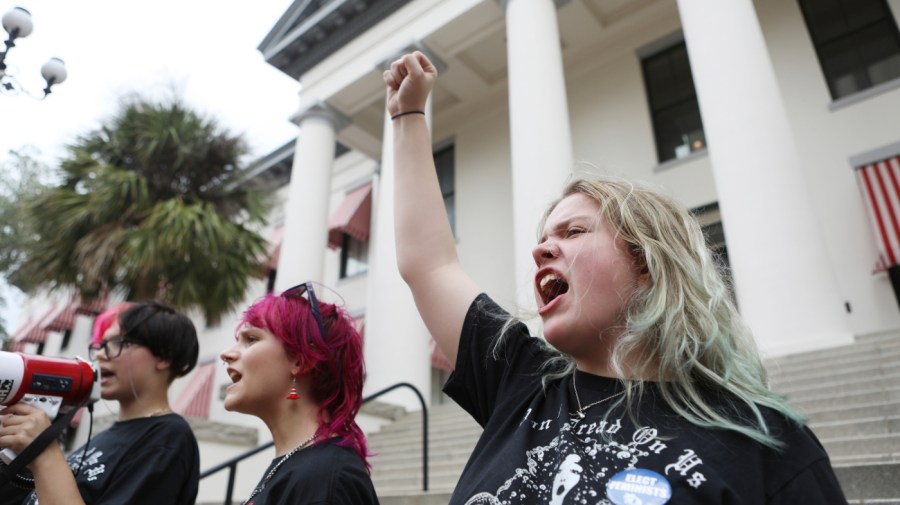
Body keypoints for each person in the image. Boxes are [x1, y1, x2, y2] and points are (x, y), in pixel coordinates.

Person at [384, 51, 848, 504]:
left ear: (646, 262)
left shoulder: (766, 442)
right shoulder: (521, 381)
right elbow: (430, 264)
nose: (541, 248)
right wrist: (407, 114)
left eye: (574, 232)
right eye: (545, 237)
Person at [0, 300, 201, 505]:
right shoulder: (106, 438)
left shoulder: (168, 438)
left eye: (118, 342)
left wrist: (45, 454)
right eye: (101, 345)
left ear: (164, 356)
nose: (100, 354)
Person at [219, 281, 379, 505]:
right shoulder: (299, 467)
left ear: (299, 360)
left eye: (251, 339)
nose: (226, 354)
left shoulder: (326, 479)